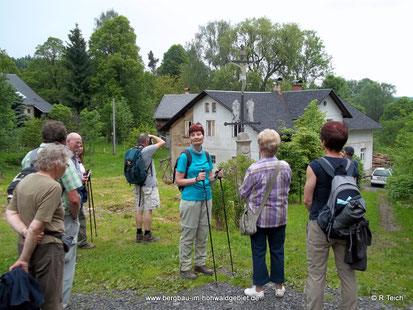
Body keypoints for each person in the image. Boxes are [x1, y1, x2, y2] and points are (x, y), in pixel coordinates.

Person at [21, 121, 83, 309]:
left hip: (29, 216)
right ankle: (59, 303)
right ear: (64, 140)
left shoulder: (28, 156)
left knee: (32, 259)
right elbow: (73, 198)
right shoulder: (63, 158)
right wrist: (74, 218)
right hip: (56, 217)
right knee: (62, 262)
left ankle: (33, 299)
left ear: (42, 137)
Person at [6, 144, 71, 310]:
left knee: (30, 300)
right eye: (66, 165)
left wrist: (23, 232)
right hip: (47, 249)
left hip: (24, 243)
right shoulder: (52, 187)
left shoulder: (25, 180)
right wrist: (24, 260)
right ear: (57, 164)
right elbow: (37, 227)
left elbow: (11, 213)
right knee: (51, 301)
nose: (66, 168)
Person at [303, 121, 359, 310]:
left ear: (323, 142)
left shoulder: (315, 166)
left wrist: (317, 217)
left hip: (320, 226)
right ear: (343, 143)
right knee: (348, 273)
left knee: (317, 274)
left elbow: (307, 200)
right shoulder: (352, 166)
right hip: (346, 225)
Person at [239, 129, 292, 299]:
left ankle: (259, 289)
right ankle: (279, 287)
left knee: (259, 251)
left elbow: (242, 193)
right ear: (276, 147)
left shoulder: (254, 169)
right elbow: (287, 188)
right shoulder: (285, 166)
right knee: (278, 251)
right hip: (280, 217)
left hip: (259, 219)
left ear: (260, 147)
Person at [175, 122, 223, 280]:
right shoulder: (185, 156)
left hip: (206, 198)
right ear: (190, 138)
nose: (197, 137)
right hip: (190, 200)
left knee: (203, 233)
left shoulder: (207, 155)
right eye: (193, 134)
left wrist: (216, 176)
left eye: (199, 134)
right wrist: (195, 179)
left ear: (203, 136)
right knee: (189, 234)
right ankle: (185, 267)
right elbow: (178, 181)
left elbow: (208, 178)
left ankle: (200, 263)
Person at [134, 133, 165, 244]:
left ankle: (138, 234)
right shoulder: (147, 150)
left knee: (139, 209)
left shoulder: (134, 150)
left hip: (137, 184)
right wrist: (152, 136)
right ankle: (147, 235)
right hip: (148, 184)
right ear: (146, 141)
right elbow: (162, 142)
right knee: (148, 210)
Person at [68, 138, 95, 249]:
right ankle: (78, 243)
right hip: (75, 190)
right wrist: (81, 179)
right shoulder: (69, 159)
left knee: (79, 216)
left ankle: (81, 241)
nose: (80, 148)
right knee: (76, 217)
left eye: (81, 146)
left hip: (81, 189)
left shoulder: (78, 159)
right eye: (78, 146)